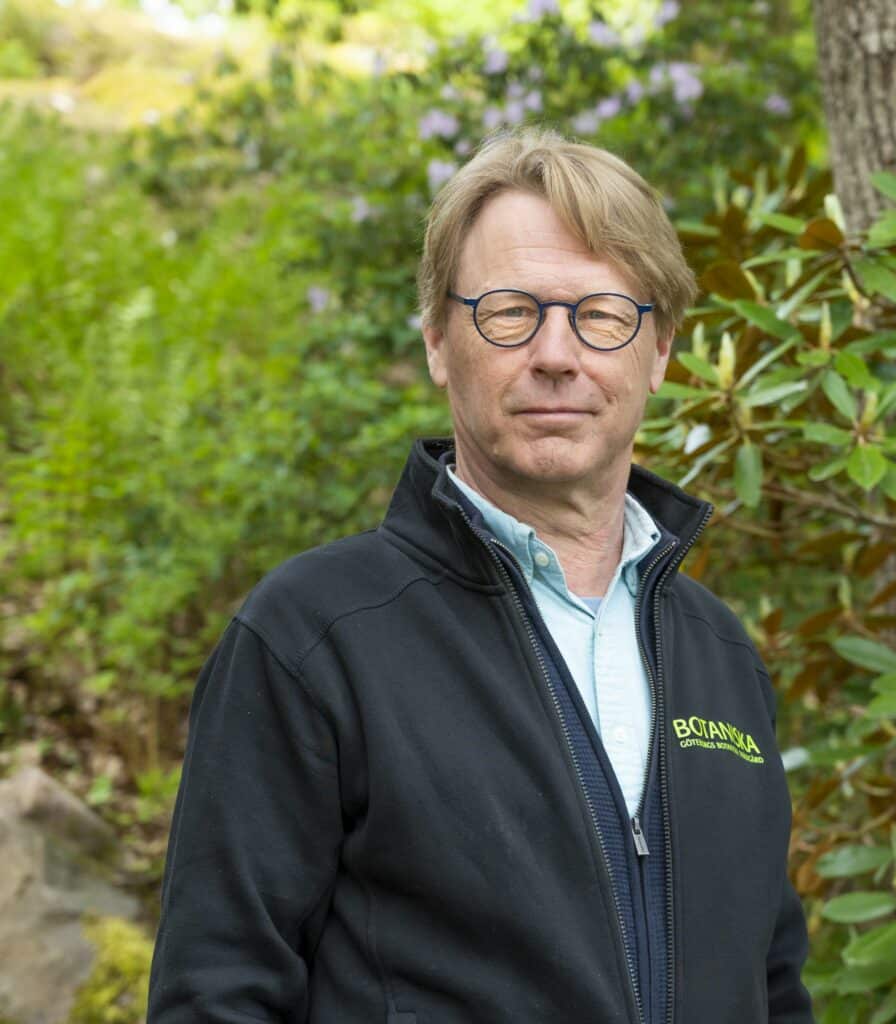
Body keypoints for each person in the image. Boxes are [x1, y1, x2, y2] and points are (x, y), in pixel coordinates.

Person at [146, 126, 816, 1024]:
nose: (555, 353)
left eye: (603, 315)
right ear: (436, 342)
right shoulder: (314, 639)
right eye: (509, 312)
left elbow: (773, 989)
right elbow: (215, 996)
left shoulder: (721, 655)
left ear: (659, 353)